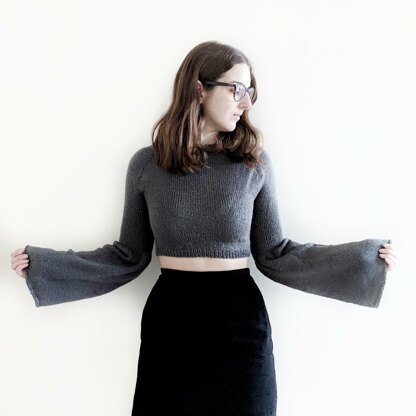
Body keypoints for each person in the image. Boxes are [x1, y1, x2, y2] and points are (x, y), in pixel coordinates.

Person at [11, 41, 397, 415]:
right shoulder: (146, 165)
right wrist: (44, 266)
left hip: (241, 330)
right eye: (236, 89)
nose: (246, 103)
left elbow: (276, 254)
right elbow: (128, 256)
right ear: (199, 88)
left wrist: (365, 260)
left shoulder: (254, 164)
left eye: (249, 92)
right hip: (171, 327)